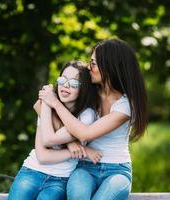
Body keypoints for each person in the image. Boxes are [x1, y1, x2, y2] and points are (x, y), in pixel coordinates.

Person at [39, 38, 148, 200]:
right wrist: (70, 142)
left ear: (110, 67)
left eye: (94, 63)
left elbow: (85, 134)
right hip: (85, 167)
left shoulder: (125, 105)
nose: (89, 68)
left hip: (117, 171)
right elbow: (39, 105)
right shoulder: (89, 92)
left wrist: (55, 103)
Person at [8, 61, 102, 200]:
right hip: (31, 171)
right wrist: (76, 149)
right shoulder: (47, 104)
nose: (66, 85)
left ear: (85, 88)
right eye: (62, 79)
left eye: (74, 83)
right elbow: (43, 156)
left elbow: (49, 139)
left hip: (60, 180)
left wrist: (49, 103)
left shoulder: (86, 115)